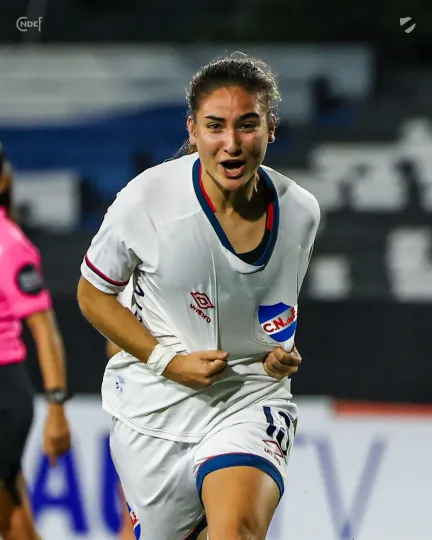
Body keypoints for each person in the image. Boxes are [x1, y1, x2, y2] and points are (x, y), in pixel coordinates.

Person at [77, 53, 320, 540]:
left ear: (271, 128)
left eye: (247, 125)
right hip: (154, 411)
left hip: (247, 398)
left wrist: (279, 353)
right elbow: (93, 294)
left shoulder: (300, 212)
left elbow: (268, 310)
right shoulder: (145, 200)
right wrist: (168, 362)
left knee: (234, 531)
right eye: (215, 126)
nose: (232, 143)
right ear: (192, 130)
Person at [0, 146, 72, 540]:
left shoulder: (8, 244)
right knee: (13, 520)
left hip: (3, 393)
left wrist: (56, 407)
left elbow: (44, 329)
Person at [105, 280, 136, 540]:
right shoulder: (130, 272)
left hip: (204, 408)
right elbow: (113, 346)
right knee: (135, 521)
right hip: (144, 412)